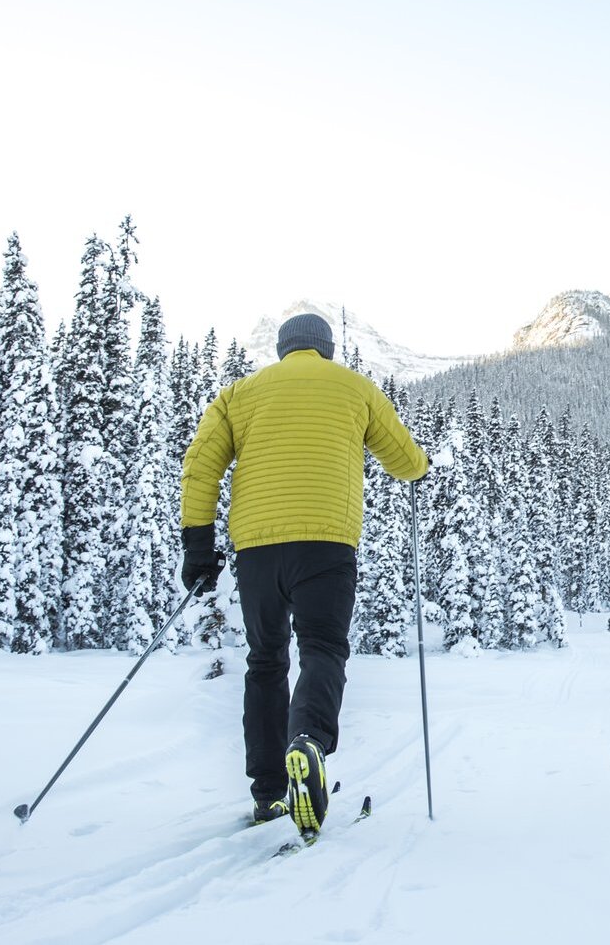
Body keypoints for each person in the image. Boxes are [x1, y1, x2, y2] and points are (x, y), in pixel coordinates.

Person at [180, 312, 429, 834]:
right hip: (327, 545)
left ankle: (269, 792)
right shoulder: (355, 388)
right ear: (327, 349)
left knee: (265, 661)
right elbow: (404, 460)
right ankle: (309, 741)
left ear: (282, 349)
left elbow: (201, 466)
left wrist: (197, 549)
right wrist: (422, 467)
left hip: (258, 550)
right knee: (322, 649)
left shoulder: (238, 395)